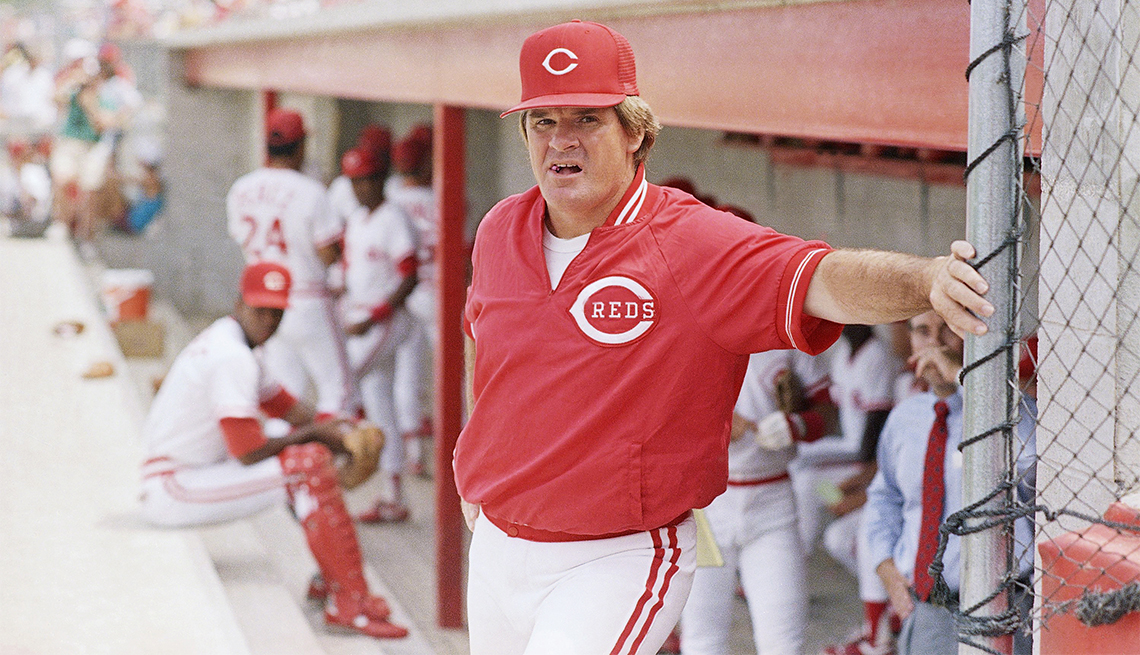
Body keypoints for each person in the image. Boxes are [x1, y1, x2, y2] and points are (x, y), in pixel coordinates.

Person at [456, 19, 994, 655]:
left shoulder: (689, 240)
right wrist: (472, 468)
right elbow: (482, 345)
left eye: (587, 119)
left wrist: (925, 277)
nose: (560, 140)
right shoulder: (501, 229)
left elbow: (821, 277)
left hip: (616, 556)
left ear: (635, 132)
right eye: (543, 121)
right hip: (497, 545)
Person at [138, 261, 409, 640]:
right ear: (239, 303)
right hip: (174, 487)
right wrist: (319, 435)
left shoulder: (234, 340)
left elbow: (292, 410)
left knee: (309, 459)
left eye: (275, 311)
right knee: (307, 466)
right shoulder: (232, 356)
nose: (268, 319)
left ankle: (334, 584)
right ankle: (350, 602)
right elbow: (248, 452)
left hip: (187, 476)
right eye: (259, 309)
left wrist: (347, 430)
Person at [864, 311, 1035, 655]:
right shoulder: (905, 417)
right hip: (929, 606)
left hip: (1004, 606)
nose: (935, 343)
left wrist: (964, 378)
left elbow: (1032, 459)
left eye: (948, 331)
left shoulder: (1005, 412)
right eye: (922, 331)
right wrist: (885, 566)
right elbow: (885, 497)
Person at [680, 346, 834, 655]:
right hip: (706, 504)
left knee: (783, 643)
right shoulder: (694, 330)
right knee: (701, 638)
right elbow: (655, 414)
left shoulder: (789, 336)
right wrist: (712, 422)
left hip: (772, 501)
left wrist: (797, 425)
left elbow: (827, 413)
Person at [226, 108, 353, 424]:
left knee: (285, 396)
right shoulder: (311, 191)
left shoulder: (241, 188)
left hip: (262, 303)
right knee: (338, 391)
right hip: (306, 297)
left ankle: (288, 468)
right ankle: (329, 464)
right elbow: (328, 254)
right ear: (300, 147)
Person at [802, 325, 900, 655]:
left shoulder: (877, 355)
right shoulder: (843, 352)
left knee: (804, 474)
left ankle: (881, 626)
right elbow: (829, 408)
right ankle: (886, 613)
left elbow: (873, 433)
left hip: (862, 454)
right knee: (798, 465)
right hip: (857, 457)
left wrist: (857, 488)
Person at [335, 147, 420, 524]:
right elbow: (349, 273)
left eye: (366, 179)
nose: (360, 187)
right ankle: (393, 496)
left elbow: (409, 275)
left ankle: (334, 473)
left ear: (380, 179)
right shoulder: (356, 220)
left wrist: (375, 316)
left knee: (342, 383)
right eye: (354, 181)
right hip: (360, 316)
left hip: (387, 320)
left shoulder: (393, 218)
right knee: (379, 402)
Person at [388, 124, 436, 476]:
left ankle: (415, 454)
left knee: (408, 377)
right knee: (458, 379)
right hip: (438, 294)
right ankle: (458, 453)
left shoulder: (390, 202)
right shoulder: (445, 197)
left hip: (407, 295)